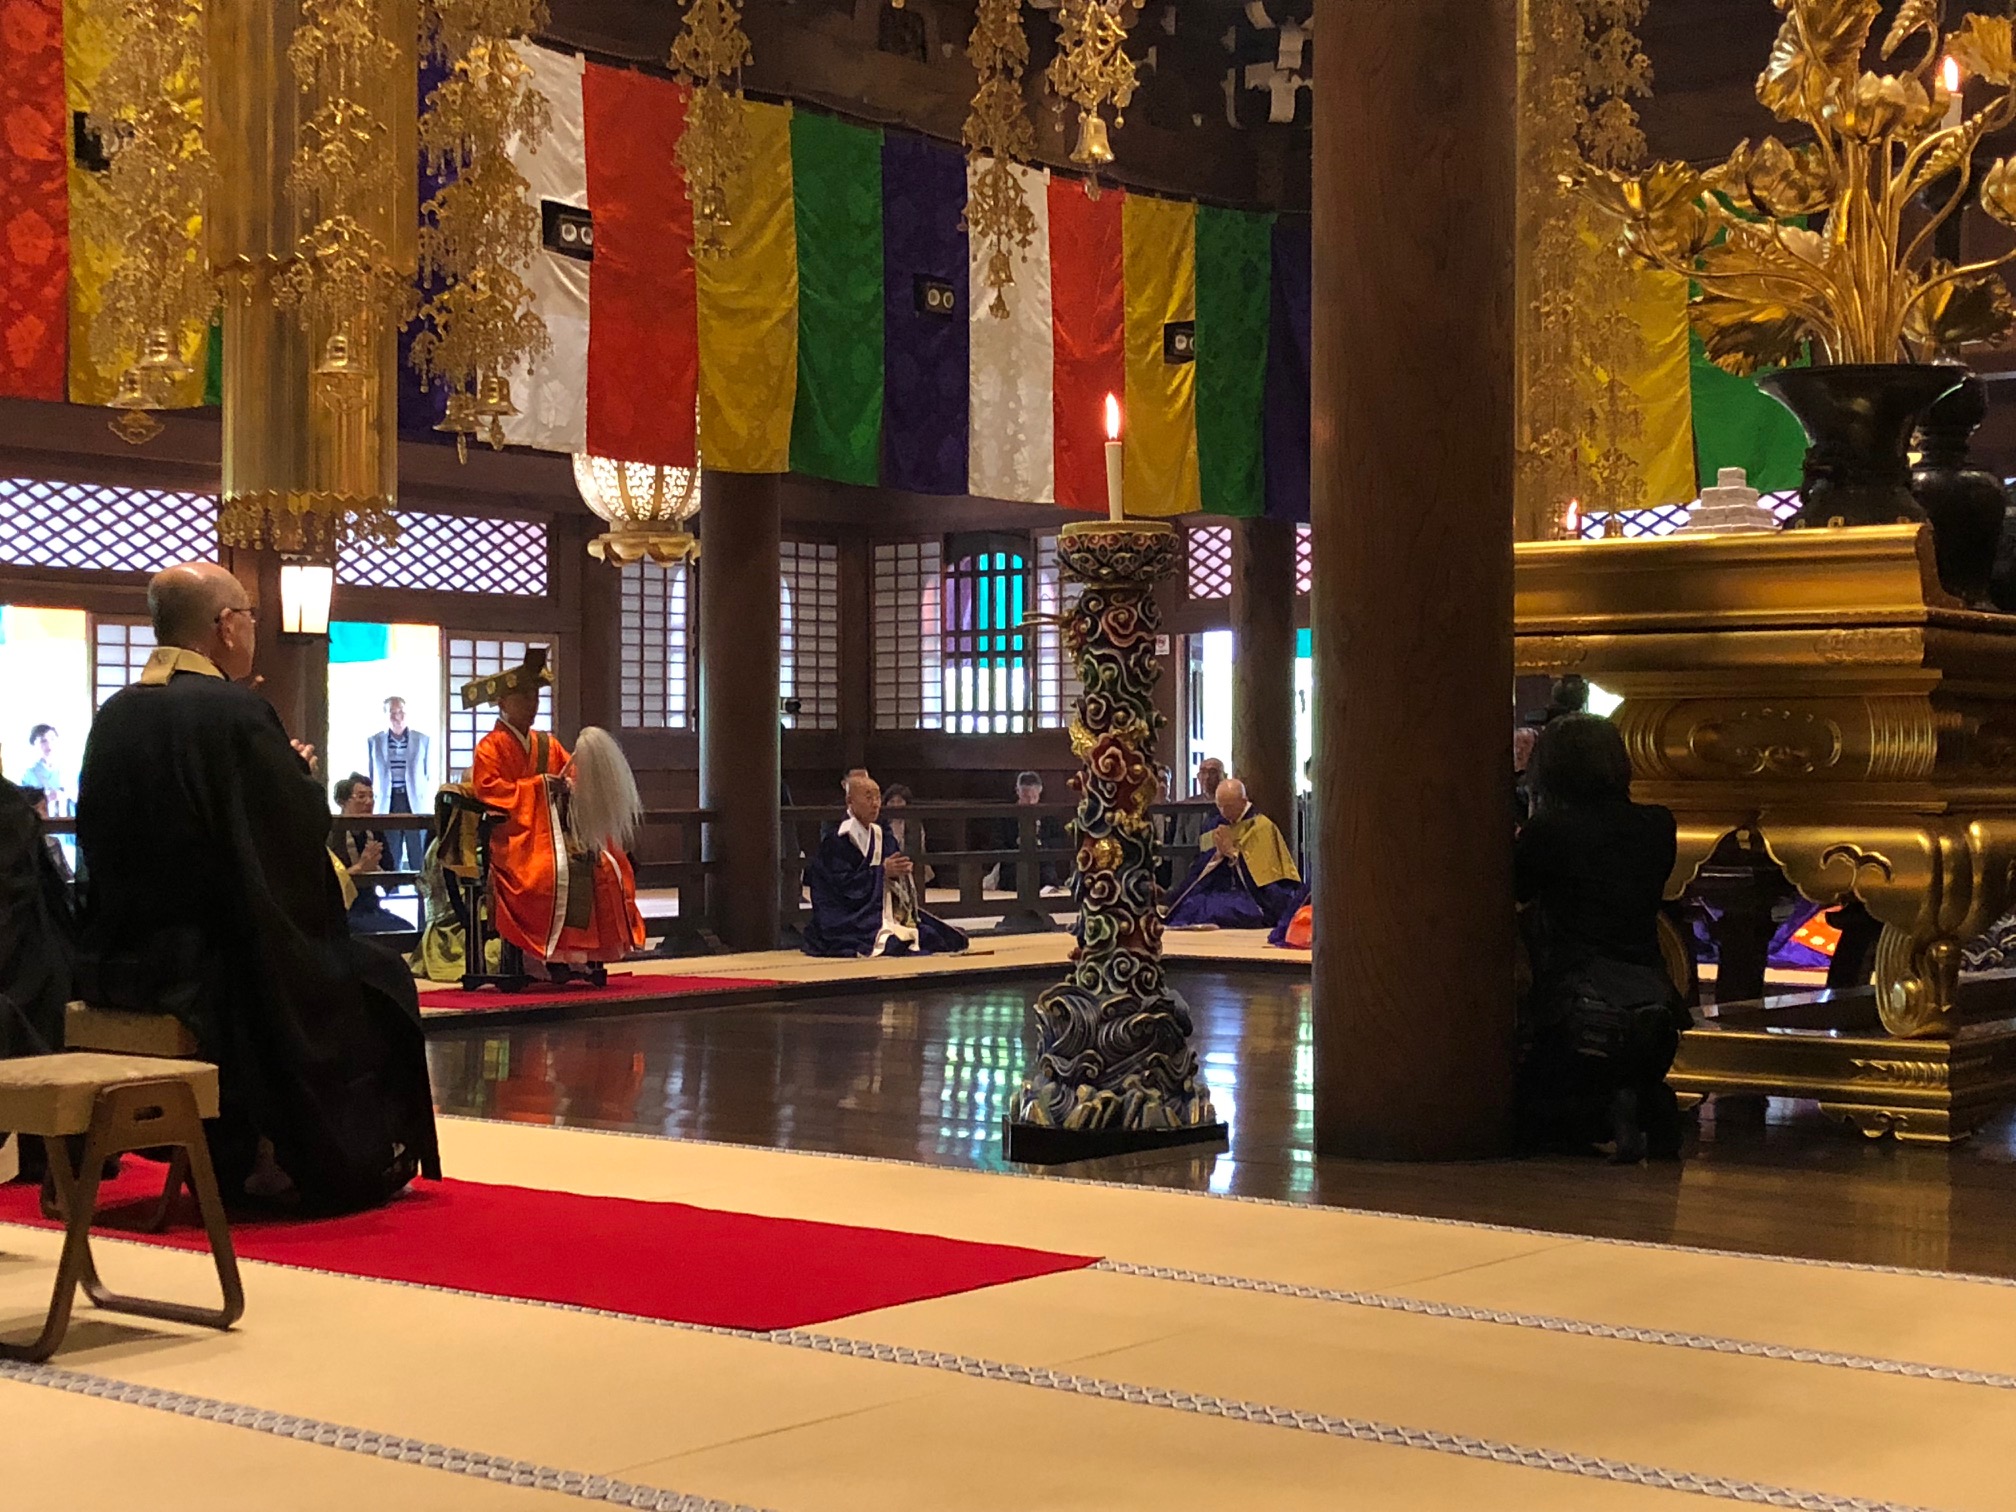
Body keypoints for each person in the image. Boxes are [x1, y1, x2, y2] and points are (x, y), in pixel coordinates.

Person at [73, 560, 439, 1210]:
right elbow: (292, 834)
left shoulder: (117, 712)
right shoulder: (234, 713)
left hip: (116, 959)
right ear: (224, 626)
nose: (250, 629)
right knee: (380, 977)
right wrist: (298, 777)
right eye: (248, 615)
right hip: (211, 965)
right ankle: (315, 1156)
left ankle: (246, 1149)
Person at [1515, 713, 1687, 1162]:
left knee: (1529, 1113)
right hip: (1653, 998)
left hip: (1578, 1002)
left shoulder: (1550, 831)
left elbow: (1516, 889)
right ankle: (1643, 1101)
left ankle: (1611, 1109)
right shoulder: (1657, 825)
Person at [467, 652, 645, 982]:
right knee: (547, 875)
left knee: (603, 864)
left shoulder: (546, 744)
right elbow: (489, 790)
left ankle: (578, 955)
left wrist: (570, 785)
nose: (532, 704)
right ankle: (538, 956)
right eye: (524, 697)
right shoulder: (490, 747)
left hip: (554, 834)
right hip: (515, 839)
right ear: (502, 702)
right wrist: (539, 786)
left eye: (535, 697)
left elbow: (571, 775)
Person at [803, 773, 968, 958]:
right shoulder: (836, 841)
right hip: (850, 917)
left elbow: (894, 868)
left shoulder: (882, 835)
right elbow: (843, 887)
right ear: (850, 801)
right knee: (894, 942)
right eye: (868, 798)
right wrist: (881, 872)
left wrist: (900, 872)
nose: (875, 804)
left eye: (877, 798)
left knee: (937, 936)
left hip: (883, 910)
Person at [1164, 778, 1303, 929]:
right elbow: (1201, 867)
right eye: (1220, 806)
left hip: (1253, 897)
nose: (1224, 812)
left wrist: (1233, 853)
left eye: (1229, 807)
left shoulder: (1261, 827)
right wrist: (1218, 855)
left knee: (1214, 908)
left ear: (1243, 801)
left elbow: (1265, 882)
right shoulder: (1217, 823)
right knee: (1192, 904)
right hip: (1222, 890)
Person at [332, 774, 407, 936]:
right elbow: (328, 881)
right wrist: (360, 867)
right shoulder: (332, 833)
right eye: (361, 797)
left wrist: (377, 870)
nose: (369, 802)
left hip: (371, 906)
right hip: (341, 910)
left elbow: (390, 878)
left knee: (406, 928)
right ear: (342, 802)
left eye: (372, 796)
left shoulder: (375, 831)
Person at [366, 696, 433, 872]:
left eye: (401, 711)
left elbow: (428, 773)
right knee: (391, 852)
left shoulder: (422, 740)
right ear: (385, 715)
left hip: (414, 801)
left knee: (417, 852)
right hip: (388, 801)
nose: (397, 716)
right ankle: (391, 887)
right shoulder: (374, 741)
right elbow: (371, 774)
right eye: (392, 712)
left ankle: (421, 886)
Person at [20, 724, 67, 818]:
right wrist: (45, 798)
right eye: (43, 741)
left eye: (52, 739)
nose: (49, 745)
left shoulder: (68, 770)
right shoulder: (29, 774)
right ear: (34, 744)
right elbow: (25, 804)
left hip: (68, 822)